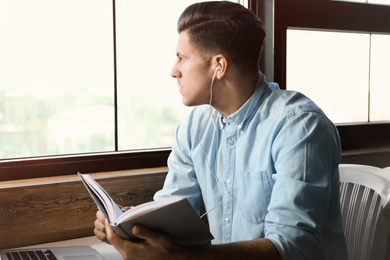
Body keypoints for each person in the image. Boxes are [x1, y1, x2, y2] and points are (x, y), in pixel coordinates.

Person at [94, 1, 348, 259]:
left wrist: (183, 258)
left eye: (182, 57)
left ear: (219, 66)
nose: (173, 71)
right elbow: (171, 213)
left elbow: (291, 246)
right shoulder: (195, 127)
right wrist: (130, 224)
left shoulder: (300, 126)